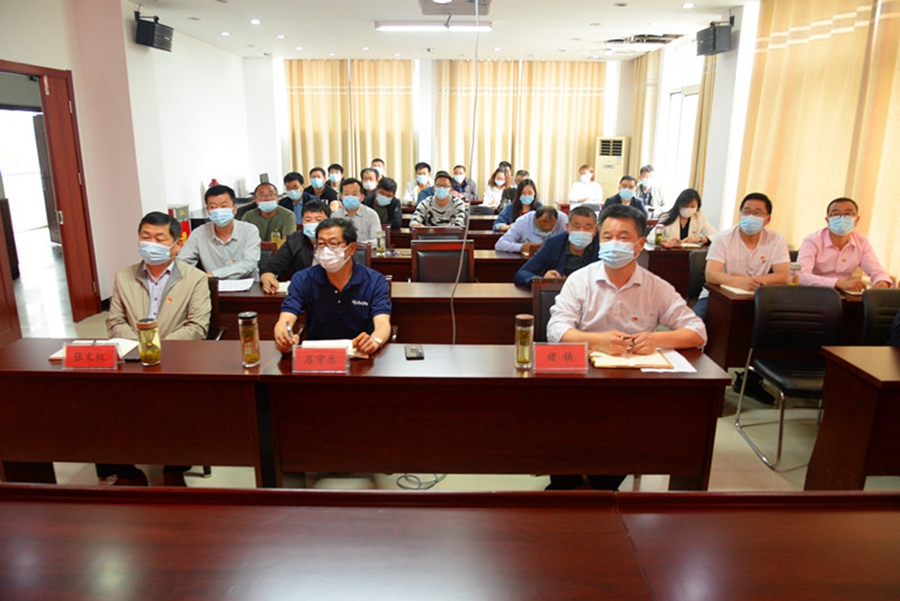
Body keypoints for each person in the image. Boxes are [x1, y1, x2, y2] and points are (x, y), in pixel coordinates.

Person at [545, 204, 707, 490]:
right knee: (560, 421)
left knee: (626, 433)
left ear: (640, 244)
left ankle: (606, 479)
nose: (613, 243)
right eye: (607, 237)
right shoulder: (580, 280)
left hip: (630, 382)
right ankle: (565, 479)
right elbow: (556, 330)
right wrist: (598, 341)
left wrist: (655, 339)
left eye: (623, 237)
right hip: (582, 376)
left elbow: (697, 332)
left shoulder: (656, 286)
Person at [102, 211, 211, 487]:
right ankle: (128, 472)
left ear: (177, 244)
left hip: (176, 359)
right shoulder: (123, 276)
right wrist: (141, 348)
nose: (151, 243)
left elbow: (197, 326)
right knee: (106, 399)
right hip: (131, 356)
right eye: (145, 237)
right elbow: (115, 321)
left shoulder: (195, 278)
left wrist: (158, 349)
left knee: (178, 401)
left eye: (159, 239)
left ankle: (174, 467)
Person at [699, 192, 790, 404]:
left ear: (767, 218)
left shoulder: (776, 239)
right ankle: (703, 381)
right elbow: (711, 275)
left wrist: (756, 281)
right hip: (716, 300)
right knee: (696, 325)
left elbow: (783, 275)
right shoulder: (724, 238)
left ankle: (751, 379)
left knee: (773, 330)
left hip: (757, 302)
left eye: (757, 212)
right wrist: (738, 282)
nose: (750, 216)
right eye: (746, 211)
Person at [274, 218, 391, 355]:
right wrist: (283, 335)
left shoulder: (375, 281)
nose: (326, 250)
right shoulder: (303, 279)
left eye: (333, 244)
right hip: (318, 355)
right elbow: (286, 318)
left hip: (360, 352)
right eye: (321, 244)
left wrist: (375, 340)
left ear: (351, 248)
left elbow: (382, 322)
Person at [797, 197, 892, 292]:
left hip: (845, 295)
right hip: (815, 293)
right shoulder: (812, 241)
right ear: (827, 220)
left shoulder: (861, 242)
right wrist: (839, 283)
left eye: (847, 214)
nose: (842, 219)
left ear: (856, 220)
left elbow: (878, 272)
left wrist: (882, 282)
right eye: (836, 214)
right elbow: (800, 276)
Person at [178, 184, 261, 280]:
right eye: (213, 207)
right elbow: (182, 264)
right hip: (213, 286)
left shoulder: (249, 230)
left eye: (223, 206)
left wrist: (213, 274)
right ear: (208, 211)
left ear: (234, 209)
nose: (218, 211)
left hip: (248, 286)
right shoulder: (198, 234)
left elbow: (249, 264)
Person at [514, 205, 600, 287]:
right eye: (576, 227)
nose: (582, 232)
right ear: (567, 227)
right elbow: (523, 273)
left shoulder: (601, 245)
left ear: (595, 230)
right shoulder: (554, 244)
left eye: (587, 228)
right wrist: (543, 280)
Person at [259, 200, 330, 294]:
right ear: (302, 222)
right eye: (308, 220)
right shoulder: (293, 241)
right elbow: (274, 265)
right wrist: (267, 276)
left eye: (318, 220)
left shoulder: (339, 241)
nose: (313, 224)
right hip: (303, 292)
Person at [495, 206, 568, 254]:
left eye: (549, 230)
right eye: (542, 229)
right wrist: (521, 247)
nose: (546, 232)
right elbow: (500, 244)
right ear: (534, 220)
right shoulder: (523, 221)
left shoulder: (563, 220)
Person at [331, 177, 382, 244]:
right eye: (346, 194)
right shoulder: (335, 216)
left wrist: (357, 245)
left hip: (365, 250)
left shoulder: (371, 215)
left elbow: (378, 241)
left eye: (354, 194)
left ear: (362, 197)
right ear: (341, 197)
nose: (350, 197)